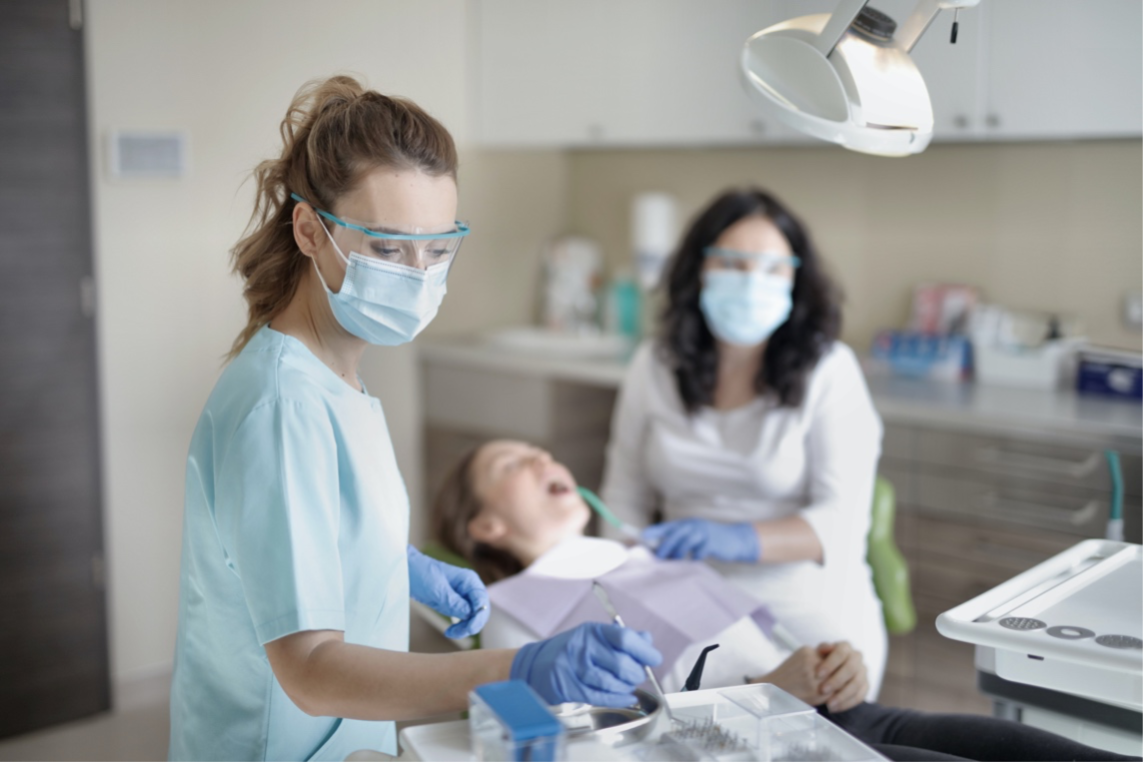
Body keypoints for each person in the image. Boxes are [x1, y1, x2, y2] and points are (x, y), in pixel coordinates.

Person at [167, 76, 659, 763]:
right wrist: (516, 669)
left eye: (436, 248)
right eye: (387, 248)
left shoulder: (335, 375)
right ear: (310, 230)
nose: (417, 275)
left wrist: (394, 565)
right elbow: (309, 668)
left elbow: (293, 531)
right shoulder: (284, 404)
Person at [431, 439, 1142, 763]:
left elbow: (764, 651)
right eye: (508, 465)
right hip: (756, 748)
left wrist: (837, 666)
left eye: (541, 453)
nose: (541, 461)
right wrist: (765, 693)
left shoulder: (639, 556)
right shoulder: (512, 609)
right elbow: (584, 746)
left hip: (846, 710)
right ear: (483, 528)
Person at [600, 187, 889, 695]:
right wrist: (626, 575)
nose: (751, 281)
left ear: (796, 279)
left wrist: (736, 539)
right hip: (684, 592)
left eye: (771, 267)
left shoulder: (830, 370)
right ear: (699, 270)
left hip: (804, 595)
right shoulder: (655, 365)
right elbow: (623, 497)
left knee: (820, 715)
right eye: (732, 263)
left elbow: (841, 523)